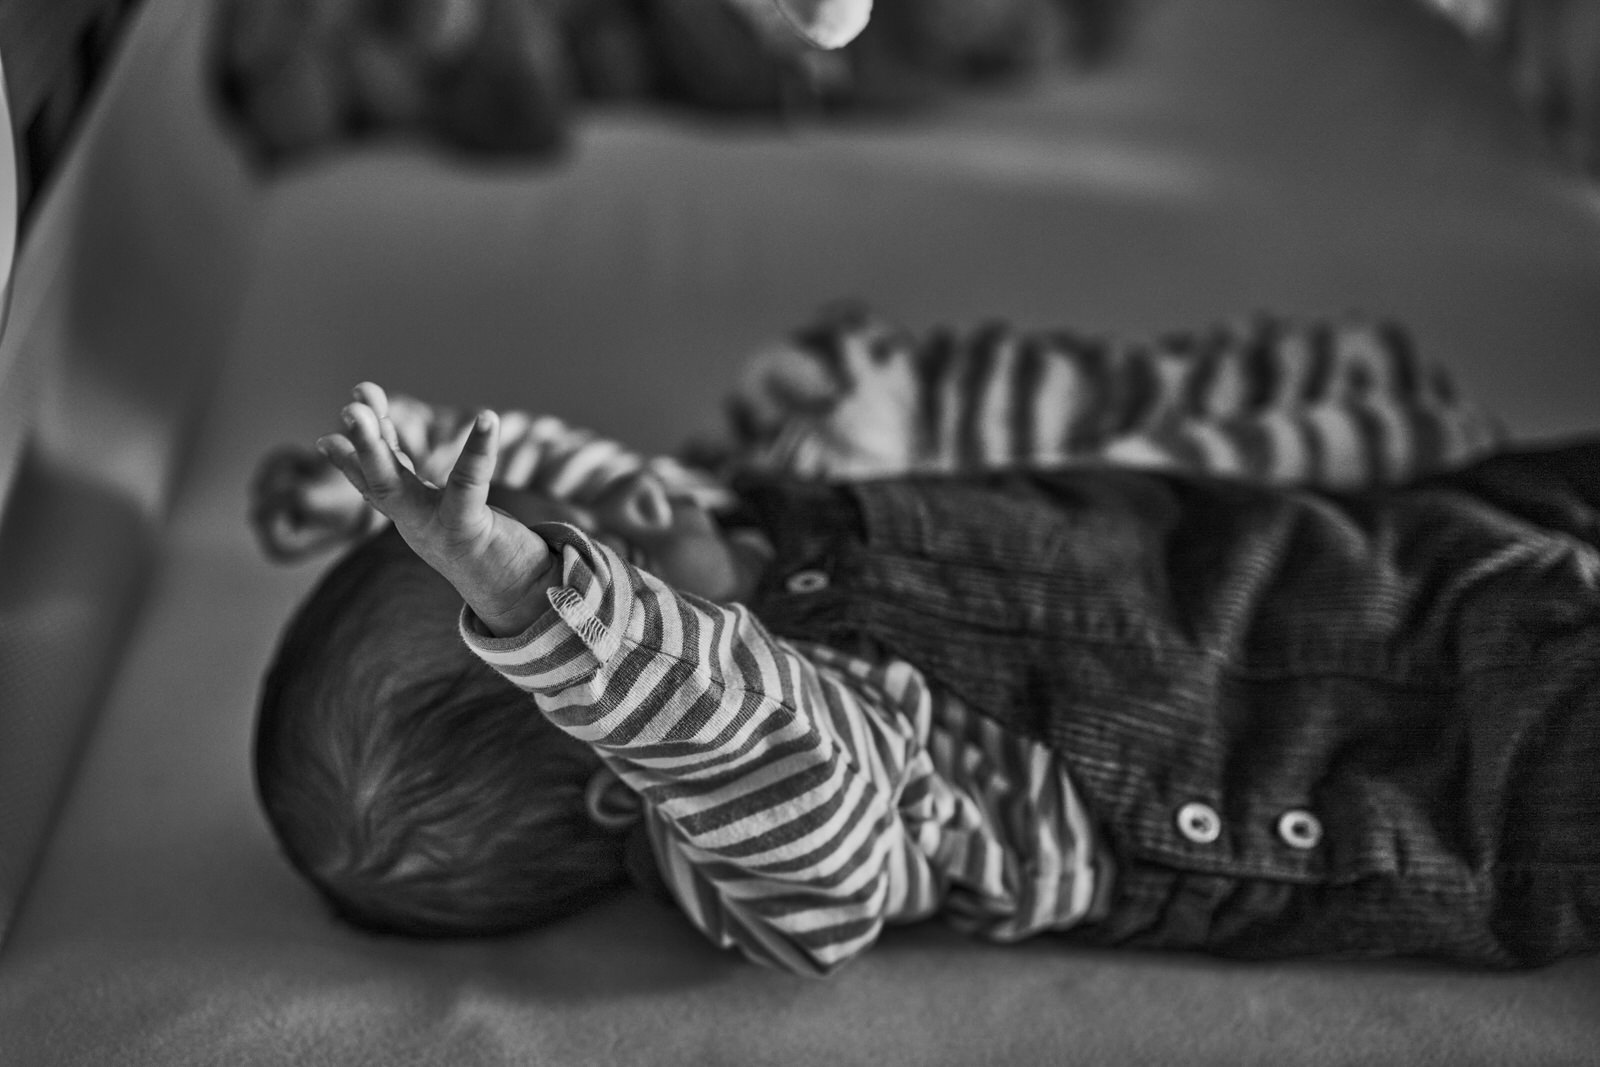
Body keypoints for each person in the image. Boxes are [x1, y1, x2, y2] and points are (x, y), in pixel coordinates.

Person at [256, 312, 1598, 977]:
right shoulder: (758, 829)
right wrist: (530, 596)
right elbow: (773, 763)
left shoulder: (728, 537)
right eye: (597, 574)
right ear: (626, 743)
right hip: (1412, 769)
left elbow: (590, 484)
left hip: (1376, 556)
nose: (637, 506)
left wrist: (387, 474)